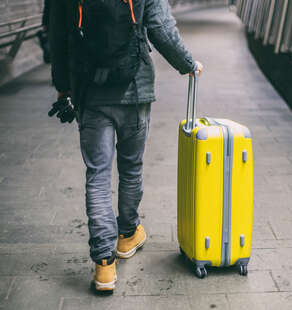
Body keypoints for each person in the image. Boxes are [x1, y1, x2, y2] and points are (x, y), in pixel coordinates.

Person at [49, 0, 203, 292]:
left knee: (98, 176)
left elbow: (58, 36)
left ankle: (104, 266)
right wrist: (188, 65)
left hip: (90, 91)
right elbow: (160, 27)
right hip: (134, 89)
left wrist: (63, 88)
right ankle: (127, 234)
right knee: (131, 167)